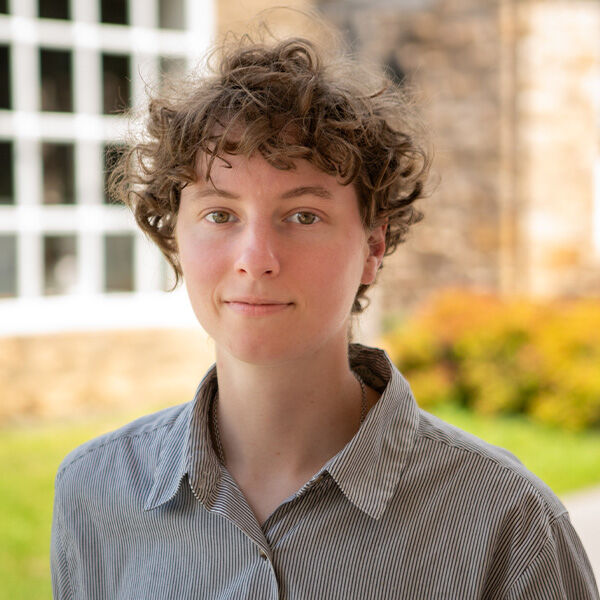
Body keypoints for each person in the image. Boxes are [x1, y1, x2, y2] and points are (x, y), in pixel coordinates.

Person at [51, 21, 599, 600]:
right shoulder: (95, 493)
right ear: (176, 237)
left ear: (373, 247)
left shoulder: (508, 523)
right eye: (220, 215)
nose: (255, 260)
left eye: (303, 216)